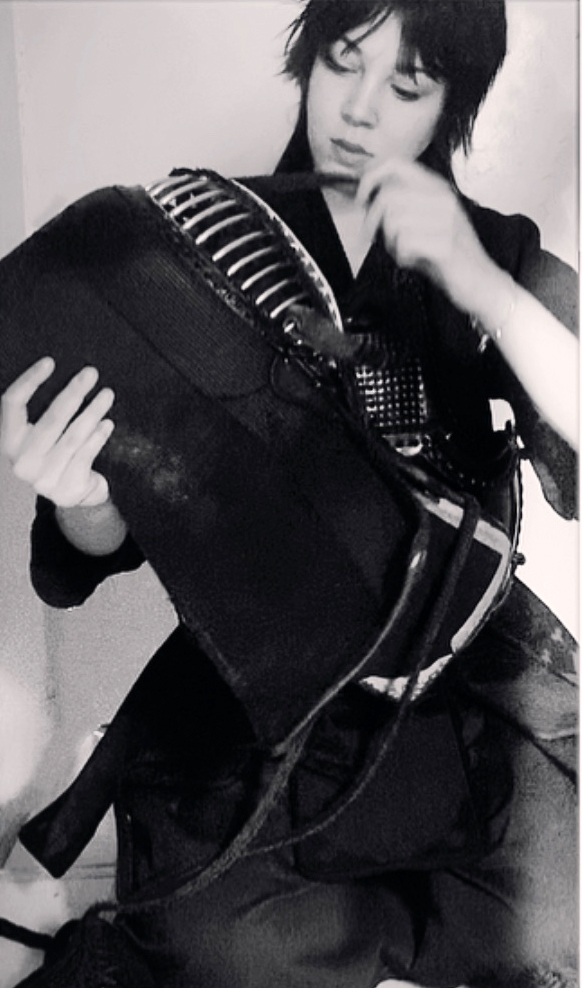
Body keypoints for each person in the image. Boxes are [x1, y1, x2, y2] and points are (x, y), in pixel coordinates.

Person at [0, 2, 578, 986]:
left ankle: (376, 924)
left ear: (452, 104)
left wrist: (483, 285)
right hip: (267, 682)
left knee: (557, 920)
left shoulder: (501, 253)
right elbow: (95, 553)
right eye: (342, 64)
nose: (360, 108)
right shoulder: (200, 243)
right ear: (308, 63)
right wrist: (84, 498)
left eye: (407, 85)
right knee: (219, 948)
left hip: (466, 666)